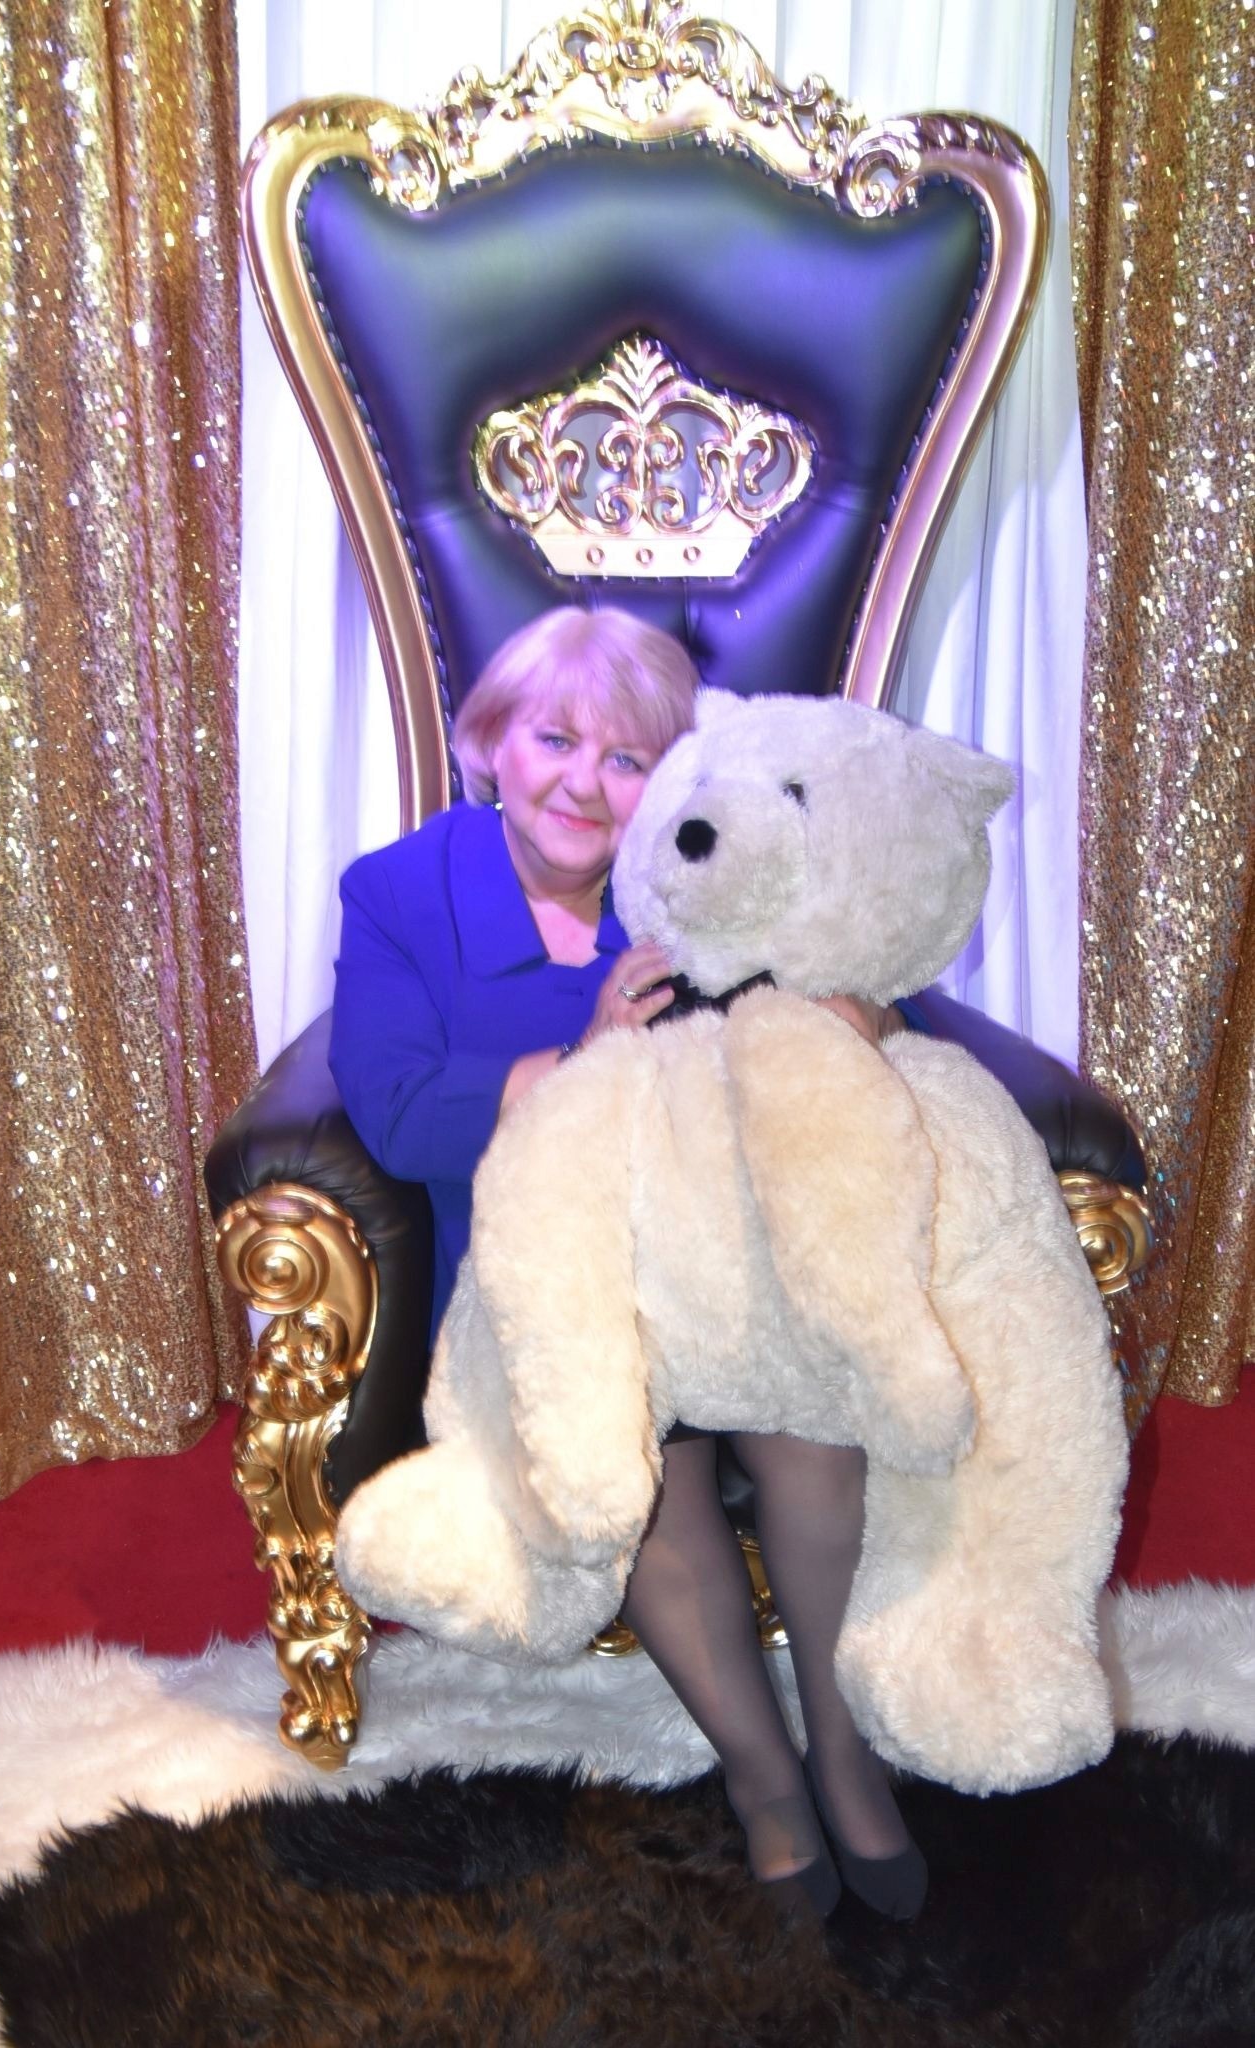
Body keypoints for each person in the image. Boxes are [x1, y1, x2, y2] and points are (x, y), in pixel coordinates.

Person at [331, 605, 925, 1923]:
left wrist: (860, 1014)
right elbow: (392, 1104)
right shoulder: (400, 892)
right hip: (543, 1291)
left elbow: (876, 982)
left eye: (626, 762)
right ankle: (767, 1782)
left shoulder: (711, 865)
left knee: (817, 1440)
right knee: (648, 1479)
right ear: (493, 739)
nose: (583, 786)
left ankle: (844, 1750)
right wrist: (583, 1059)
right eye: (555, 740)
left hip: (724, 1263)